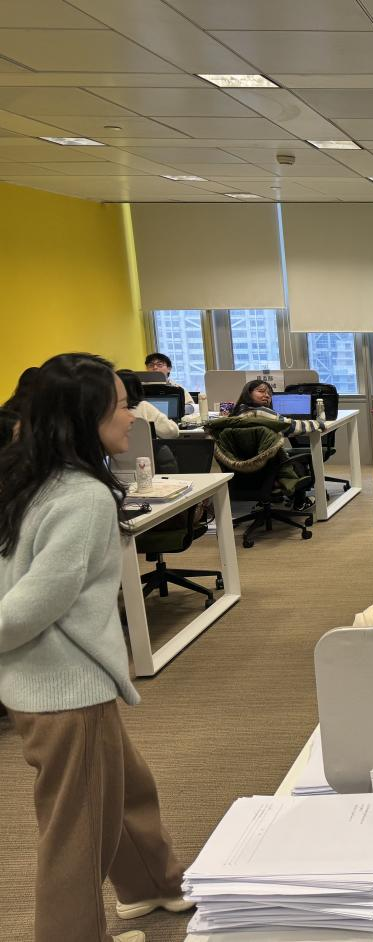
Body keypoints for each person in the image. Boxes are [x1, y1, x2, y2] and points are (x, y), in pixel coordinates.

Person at [0, 353, 190, 942]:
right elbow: (33, 603)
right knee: (76, 834)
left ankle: (153, 883)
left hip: (52, 680)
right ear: (86, 418)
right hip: (64, 690)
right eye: (121, 405)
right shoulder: (82, 496)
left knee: (128, 790)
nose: (133, 415)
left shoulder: (34, 480)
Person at [118, 370, 179, 440]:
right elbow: (172, 432)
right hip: (144, 447)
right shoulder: (143, 407)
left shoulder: (108, 411)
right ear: (138, 387)